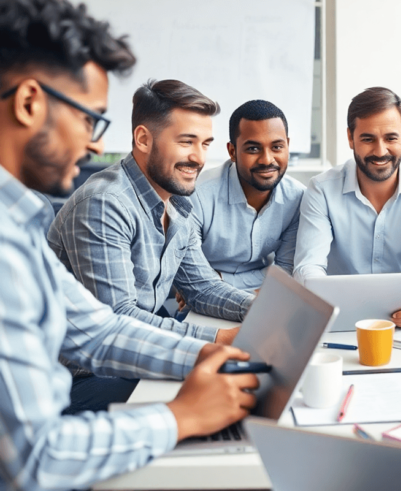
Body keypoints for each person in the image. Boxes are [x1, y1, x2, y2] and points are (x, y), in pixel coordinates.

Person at [0, 1, 257, 489]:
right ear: (30, 102)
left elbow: (98, 330)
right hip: (73, 400)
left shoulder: (18, 223)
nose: (97, 144)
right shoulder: (81, 211)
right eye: (88, 118)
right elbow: (35, 459)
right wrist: (181, 417)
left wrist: (211, 356)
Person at [48, 79, 253, 345]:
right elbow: (118, 318)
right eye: (186, 142)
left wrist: (261, 310)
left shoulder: (177, 202)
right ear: (143, 139)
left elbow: (202, 288)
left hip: (138, 351)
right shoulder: (105, 204)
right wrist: (219, 339)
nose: (199, 158)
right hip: (87, 373)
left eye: (204, 144)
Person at [293, 87, 401, 328]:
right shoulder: (321, 190)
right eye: (368, 139)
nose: (380, 151)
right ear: (350, 138)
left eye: (391, 138)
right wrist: (323, 304)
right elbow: (308, 266)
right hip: (335, 320)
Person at [186, 100, 305, 294]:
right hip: (203, 300)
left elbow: (285, 274)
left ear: (288, 146)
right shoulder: (198, 196)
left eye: (277, 147)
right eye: (253, 149)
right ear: (232, 151)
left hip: (264, 296)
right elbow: (195, 279)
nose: (267, 159)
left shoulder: (297, 198)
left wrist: (221, 279)